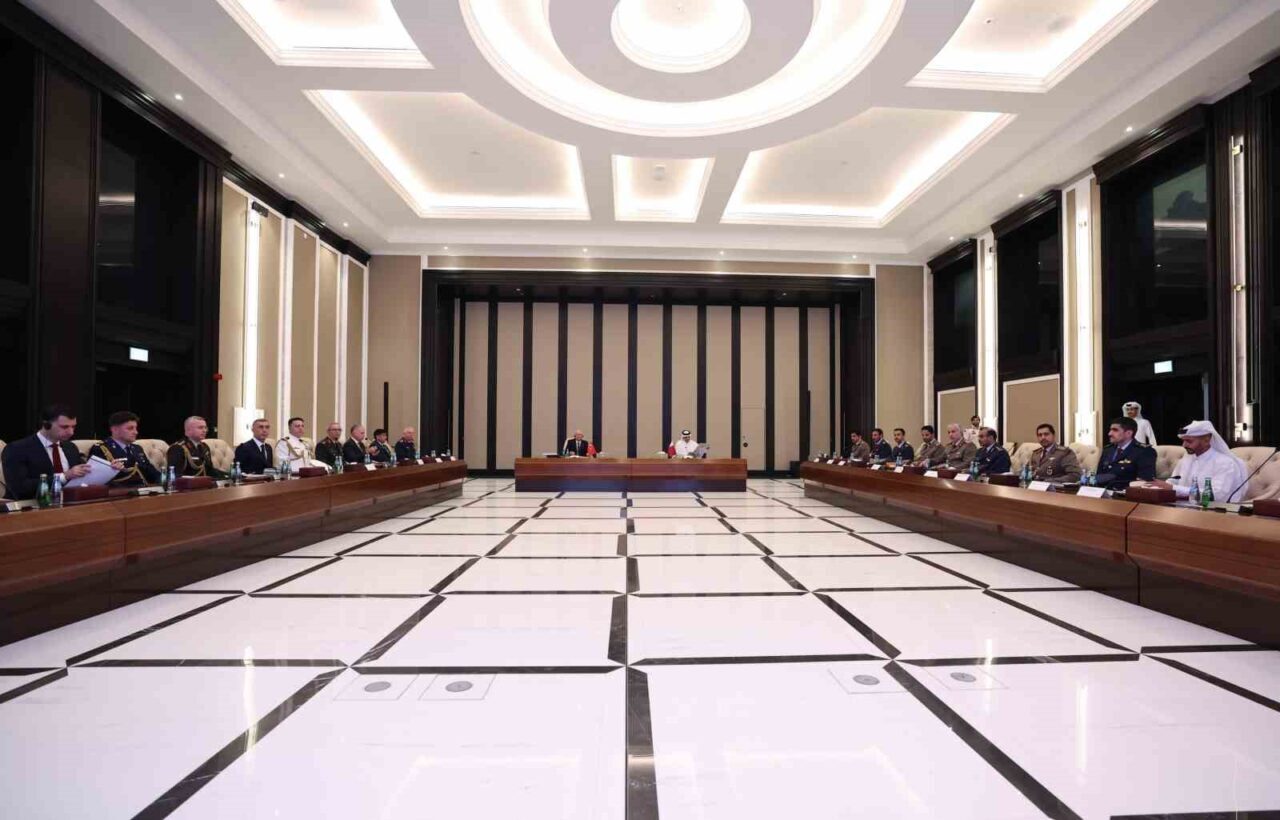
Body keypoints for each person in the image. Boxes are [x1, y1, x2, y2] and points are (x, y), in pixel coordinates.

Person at [1, 404, 91, 500]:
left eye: (73, 427)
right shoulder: (16, 449)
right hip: (31, 504)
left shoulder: (70, 447)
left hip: (71, 503)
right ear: (46, 425)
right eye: (65, 427)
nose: (71, 432)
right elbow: (20, 487)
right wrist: (63, 477)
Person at [1149, 420, 1250, 503]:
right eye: (1183, 441)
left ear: (1206, 440)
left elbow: (1216, 495)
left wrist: (1174, 488)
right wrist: (1155, 487)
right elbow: (1173, 481)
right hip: (1182, 508)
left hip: (1212, 513)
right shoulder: (1186, 459)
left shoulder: (1225, 463)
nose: (1184, 445)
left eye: (1189, 441)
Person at [92, 411, 161, 488]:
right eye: (130, 428)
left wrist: (166, 481)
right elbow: (95, 480)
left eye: (136, 428)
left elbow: (152, 473)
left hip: (143, 491)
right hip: (120, 492)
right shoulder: (101, 448)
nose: (136, 432)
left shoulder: (137, 448)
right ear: (115, 429)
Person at [1095, 416, 1156, 490]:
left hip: (1126, 494)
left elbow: (1145, 482)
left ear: (1128, 433)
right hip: (1103, 492)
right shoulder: (1108, 450)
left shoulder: (1144, 451)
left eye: (1115, 430)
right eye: (1110, 430)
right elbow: (1099, 476)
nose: (1109, 433)